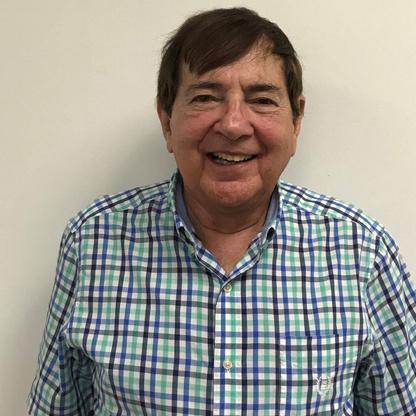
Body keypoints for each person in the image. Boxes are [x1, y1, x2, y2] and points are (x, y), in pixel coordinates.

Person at [27, 7, 416, 416]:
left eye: (261, 100)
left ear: (296, 121)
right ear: (167, 121)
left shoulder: (362, 252)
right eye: (205, 98)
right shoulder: (93, 243)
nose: (233, 124)